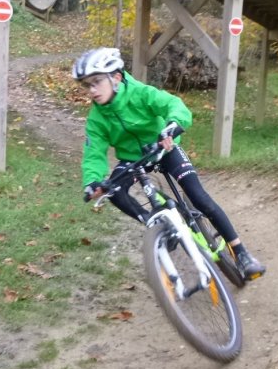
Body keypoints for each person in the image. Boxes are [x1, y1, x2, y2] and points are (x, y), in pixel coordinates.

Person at [73, 47, 266, 281]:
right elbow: (94, 153)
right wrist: (92, 181)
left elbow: (173, 105)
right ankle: (156, 224)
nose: (92, 90)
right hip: (134, 160)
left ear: (115, 77)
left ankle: (241, 253)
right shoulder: (97, 117)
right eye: (87, 85)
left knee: (199, 197)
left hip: (164, 148)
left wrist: (173, 125)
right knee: (114, 190)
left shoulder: (140, 93)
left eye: (96, 82)